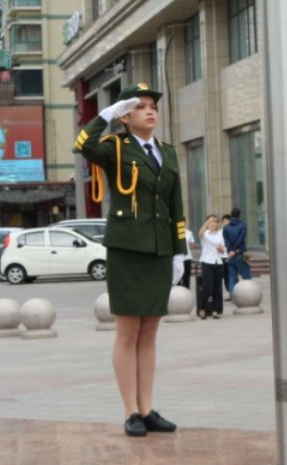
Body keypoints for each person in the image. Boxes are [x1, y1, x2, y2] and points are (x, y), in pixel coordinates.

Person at [75, 83, 187, 437]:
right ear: (125, 116)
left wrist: (179, 251)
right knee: (127, 334)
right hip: (127, 249)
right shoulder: (115, 148)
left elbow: (175, 205)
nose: (150, 111)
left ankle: (147, 408)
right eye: (140, 106)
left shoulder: (167, 153)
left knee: (149, 333)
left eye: (153, 106)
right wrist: (106, 115)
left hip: (158, 250)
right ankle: (131, 411)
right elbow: (84, 145)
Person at [197, 215, 227, 319]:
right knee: (207, 288)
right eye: (210, 222)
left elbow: (223, 250)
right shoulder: (205, 234)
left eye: (214, 221)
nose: (213, 223)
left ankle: (215, 310)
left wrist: (221, 249)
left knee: (217, 288)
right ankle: (202, 309)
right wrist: (206, 223)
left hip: (218, 262)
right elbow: (200, 234)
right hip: (207, 262)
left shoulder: (220, 235)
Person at [222, 208, 251, 299]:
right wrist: (235, 250)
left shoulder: (226, 228)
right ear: (240, 215)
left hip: (230, 255)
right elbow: (241, 239)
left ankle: (233, 296)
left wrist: (231, 250)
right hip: (241, 253)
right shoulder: (243, 225)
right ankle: (249, 294)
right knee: (246, 275)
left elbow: (226, 241)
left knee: (232, 277)